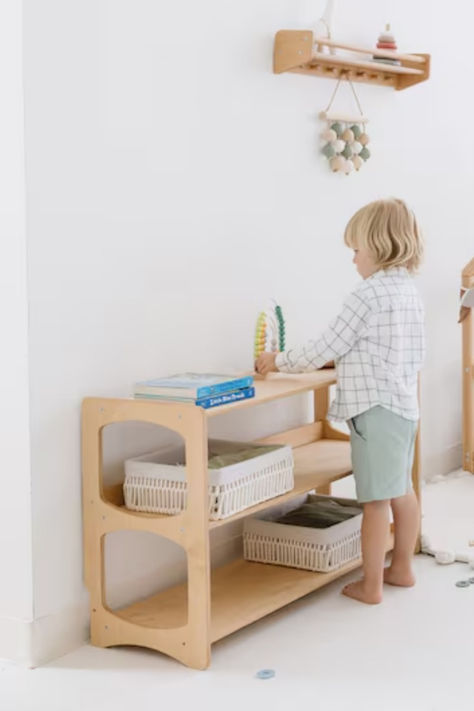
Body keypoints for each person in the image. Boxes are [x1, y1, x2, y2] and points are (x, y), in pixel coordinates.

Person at [255, 198, 425, 604]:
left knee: (373, 502)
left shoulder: (366, 295)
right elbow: (390, 348)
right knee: (402, 489)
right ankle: (401, 567)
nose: (353, 260)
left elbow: (325, 345)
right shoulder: (408, 292)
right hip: (402, 407)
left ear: (378, 247)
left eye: (356, 250)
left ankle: (371, 586)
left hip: (374, 411)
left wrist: (277, 360)